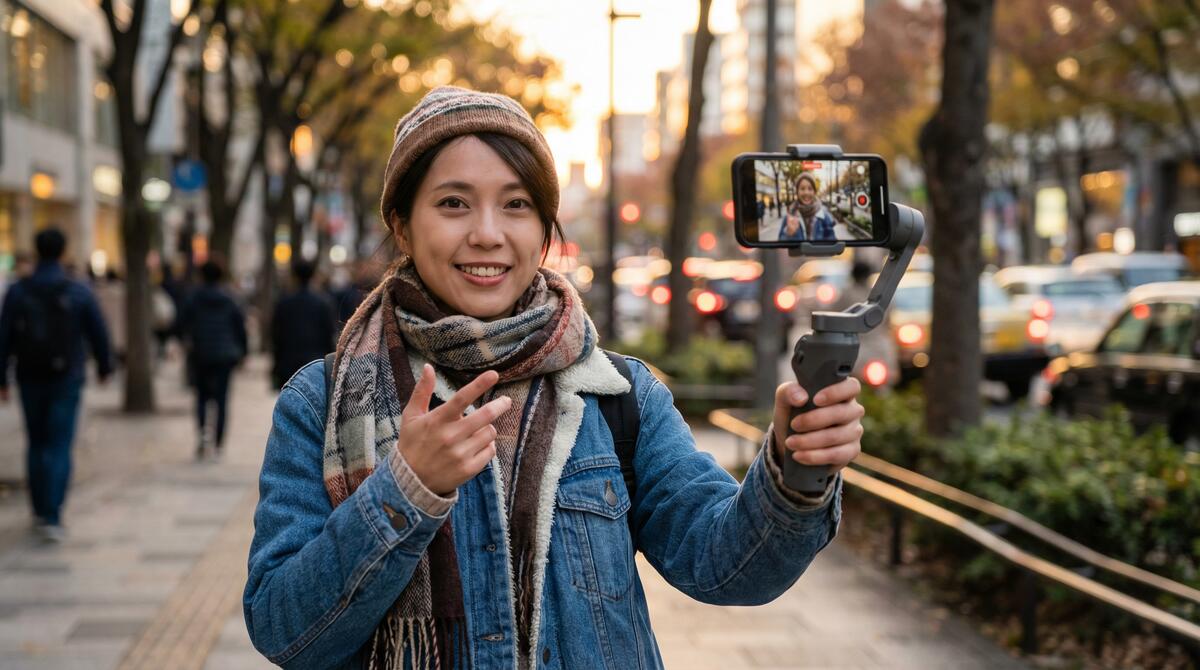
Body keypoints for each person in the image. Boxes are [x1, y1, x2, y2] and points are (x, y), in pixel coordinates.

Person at [243, 86, 864, 669]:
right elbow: (284, 630)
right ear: (403, 224)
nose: (487, 234)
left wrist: (793, 469)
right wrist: (404, 491)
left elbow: (729, 566)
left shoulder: (617, 395)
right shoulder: (320, 400)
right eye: (453, 203)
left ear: (545, 230)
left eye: (516, 205)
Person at [0, 229, 113, 542]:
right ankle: (53, 513)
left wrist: (2, 379)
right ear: (63, 251)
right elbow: (98, 331)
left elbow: (4, 334)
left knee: (36, 442)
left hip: (29, 375)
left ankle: (38, 509)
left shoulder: (19, 290)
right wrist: (105, 367)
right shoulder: (77, 289)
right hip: (67, 377)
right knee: (60, 443)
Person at [179, 260, 247, 460]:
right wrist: (243, 352)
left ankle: (202, 435)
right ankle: (218, 443)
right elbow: (240, 328)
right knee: (222, 399)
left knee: (201, 397)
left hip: (200, 353)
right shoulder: (230, 299)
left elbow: (182, 323)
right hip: (224, 355)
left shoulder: (193, 298)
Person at [270, 259, 336, 389]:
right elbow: (329, 333)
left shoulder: (284, 302)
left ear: (294, 276)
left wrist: (277, 362)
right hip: (315, 361)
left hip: (288, 361)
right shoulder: (323, 303)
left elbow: (276, 334)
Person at [781, 173, 837, 242]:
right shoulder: (790, 215)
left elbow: (833, 245)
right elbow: (780, 244)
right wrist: (788, 234)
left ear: (814, 192)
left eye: (810, 189)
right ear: (797, 191)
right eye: (802, 188)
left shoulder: (824, 216)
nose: (806, 192)